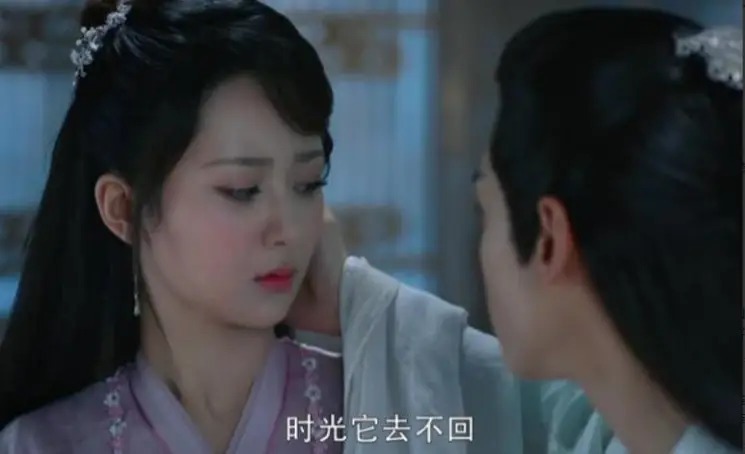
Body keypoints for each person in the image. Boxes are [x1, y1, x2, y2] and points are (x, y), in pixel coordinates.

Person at [0, 1, 513, 453]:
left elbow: (530, 409)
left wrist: (358, 303)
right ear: (123, 209)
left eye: (308, 184)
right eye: (242, 190)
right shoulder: (44, 444)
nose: (289, 229)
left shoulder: (376, 404)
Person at [298, 7, 742, 454]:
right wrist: (348, 306)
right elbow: (481, 401)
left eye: (486, 212)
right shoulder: (633, 415)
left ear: (549, 239)